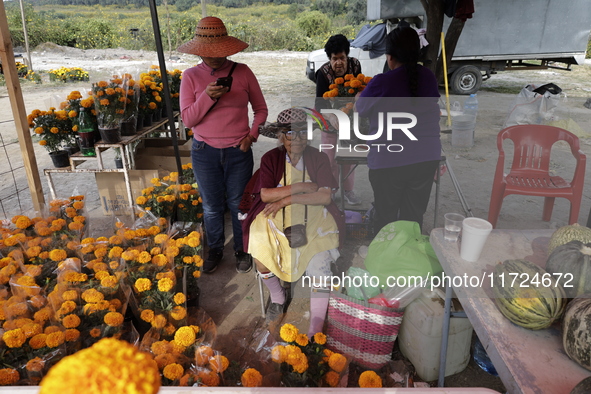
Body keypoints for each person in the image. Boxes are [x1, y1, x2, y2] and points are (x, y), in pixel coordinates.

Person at [242, 108, 345, 337]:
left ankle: (316, 328)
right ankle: (278, 297)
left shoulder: (318, 157)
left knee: (320, 266)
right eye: (290, 134)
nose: (296, 139)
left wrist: (286, 198)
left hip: (314, 217)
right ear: (281, 136)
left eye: (302, 133)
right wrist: (301, 187)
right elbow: (266, 195)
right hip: (276, 217)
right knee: (258, 247)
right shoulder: (271, 158)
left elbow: (325, 196)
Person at [178, 16, 268, 274]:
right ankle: (216, 249)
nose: (215, 57)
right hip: (203, 151)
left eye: (220, 51)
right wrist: (207, 96)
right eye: (209, 52)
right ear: (199, 50)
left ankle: (242, 249)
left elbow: (261, 110)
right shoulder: (191, 77)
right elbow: (188, 119)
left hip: (238, 152)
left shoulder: (243, 72)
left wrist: (251, 136)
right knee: (211, 206)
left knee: (239, 204)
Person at [356, 26, 441, 233]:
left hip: (389, 160)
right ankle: (409, 260)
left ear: (390, 57)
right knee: (413, 220)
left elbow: (361, 108)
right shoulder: (428, 77)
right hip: (425, 159)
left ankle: (385, 261)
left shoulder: (381, 82)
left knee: (385, 218)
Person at [315, 34, 362, 206]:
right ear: (330, 59)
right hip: (329, 120)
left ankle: (349, 191)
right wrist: (332, 116)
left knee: (349, 156)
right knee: (329, 159)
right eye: (335, 59)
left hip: (350, 119)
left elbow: (360, 88)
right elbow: (319, 105)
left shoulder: (356, 65)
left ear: (347, 56)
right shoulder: (322, 73)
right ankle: (331, 191)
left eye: (342, 58)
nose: (339, 63)